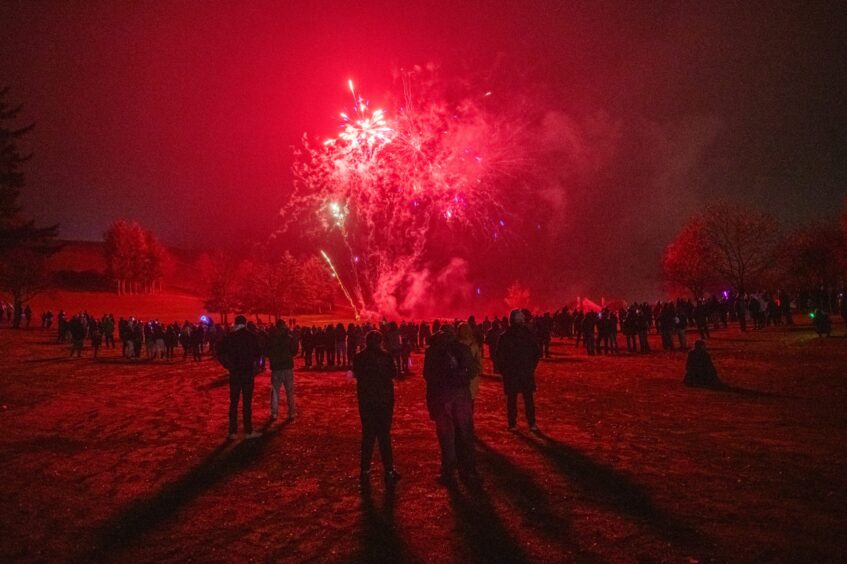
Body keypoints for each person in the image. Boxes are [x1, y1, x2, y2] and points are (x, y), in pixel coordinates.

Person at [424, 325, 477, 485]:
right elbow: (473, 370)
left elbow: (427, 375)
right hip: (461, 395)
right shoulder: (461, 348)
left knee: (446, 435)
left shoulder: (432, 350)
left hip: (441, 396)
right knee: (465, 433)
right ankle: (468, 471)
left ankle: (448, 472)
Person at [353, 330, 400, 485]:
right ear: (380, 341)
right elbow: (394, 373)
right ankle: (388, 470)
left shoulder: (359, 357)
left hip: (366, 400)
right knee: (384, 435)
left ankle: (365, 470)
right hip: (384, 400)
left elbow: (356, 374)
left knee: (368, 435)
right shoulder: (386, 357)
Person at [218, 315, 263, 440]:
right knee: (247, 403)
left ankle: (232, 431)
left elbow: (220, 352)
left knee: (234, 402)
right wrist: (256, 367)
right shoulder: (251, 337)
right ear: (245, 323)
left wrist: (228, 365)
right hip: (247, 372)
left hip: (235, 373)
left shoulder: (230, 337)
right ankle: (248, 430)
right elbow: (258, 354)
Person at [496, 309, 541, 432]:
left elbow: (536, 352)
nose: (524, 317)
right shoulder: (523, 334)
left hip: (518, 372)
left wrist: (531, 366)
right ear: (517, 319)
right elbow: (500, 356)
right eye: (521, 316)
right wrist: (531, 367)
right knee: (524, 399)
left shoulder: (511, 335)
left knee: (516, 399)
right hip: (519, 372)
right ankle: (529, 423)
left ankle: (514, 424)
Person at [267, 320, 298, 421]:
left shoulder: (271, 338)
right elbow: (294, 350)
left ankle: (274, 412)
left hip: (276, 368)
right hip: (287, 367)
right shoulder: (288, 337)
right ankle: (292, 412)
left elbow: (267, 351)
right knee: (289, 391)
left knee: (275, 391)